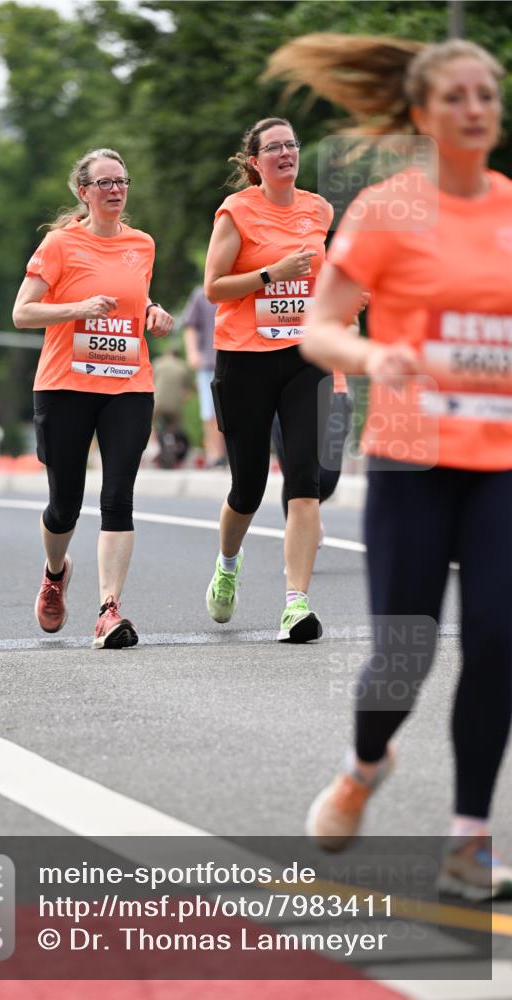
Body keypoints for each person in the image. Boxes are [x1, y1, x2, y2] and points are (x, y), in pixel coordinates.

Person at [269, 34, 512, 898]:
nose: (475, 107)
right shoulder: (387, 209)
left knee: (496, 640)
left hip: (500, 466)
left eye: (486, 92)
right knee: (402, 655)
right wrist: (370, 361)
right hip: (411, 460)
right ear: (420, 113)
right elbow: (319, 326)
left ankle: (467, 843)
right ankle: (365, 764)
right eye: (455, 95)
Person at [12, 148, 173, 649]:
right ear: (83, 192)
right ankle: (55, 573)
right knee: (65, 505)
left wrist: (154, 312)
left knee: (118, 497)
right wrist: (78, 307)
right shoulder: (60, 244)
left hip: (127, 383)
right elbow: (22, 313)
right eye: (104, 182)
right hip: (64, 386)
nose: (116, 190)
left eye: (122, 181)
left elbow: (133, 296)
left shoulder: (141, 244)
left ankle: (108, 611)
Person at [203, 116, 337, 643]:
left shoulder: (319, 208)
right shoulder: (237, 211)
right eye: (273, 148)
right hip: (245, 359)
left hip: (306, 357)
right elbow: (214, 287)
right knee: (249, 486)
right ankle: (227, 565)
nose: (286, 153)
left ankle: (295, 605)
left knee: (304, 481)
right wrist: (270, 274)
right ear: (254, 162)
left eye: (292, 145)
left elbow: (325, 276)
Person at [271, 370, 353, 536]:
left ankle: (307, 516)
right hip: (284, 389)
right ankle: (297, 546)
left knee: (327, 477)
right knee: (296, 477)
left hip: (332, 387)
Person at [182, 285, 226, 467]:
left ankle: (229, 454)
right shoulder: (201, 294)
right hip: (208, 362)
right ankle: (215, 455)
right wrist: (192, 352)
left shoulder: (245, 285)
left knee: (233, 412)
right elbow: (190, 325)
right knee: (210, 411)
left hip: (236, 360)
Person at [152, 346, 192, 469]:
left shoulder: (158, 363)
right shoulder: (182, 366)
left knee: (150, 424)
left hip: (158, 404)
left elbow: (150, 382)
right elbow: (189, 391)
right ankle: (172, 443)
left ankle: (153, 447)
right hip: (175, 406)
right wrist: (182, 399)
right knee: (173, 429)